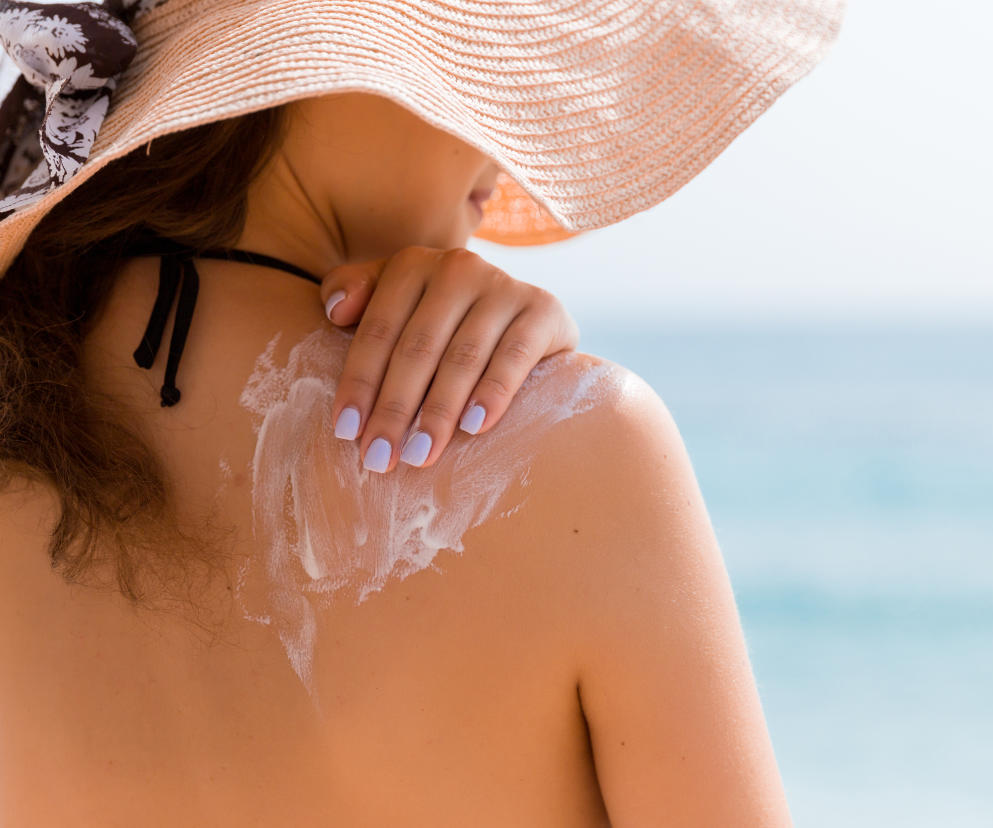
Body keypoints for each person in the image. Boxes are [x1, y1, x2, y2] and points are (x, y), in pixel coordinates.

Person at [0, 1, 845, 824]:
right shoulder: (575, 449)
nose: (505, 157)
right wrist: (558, 403)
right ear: (338, 54)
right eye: (478, 59)